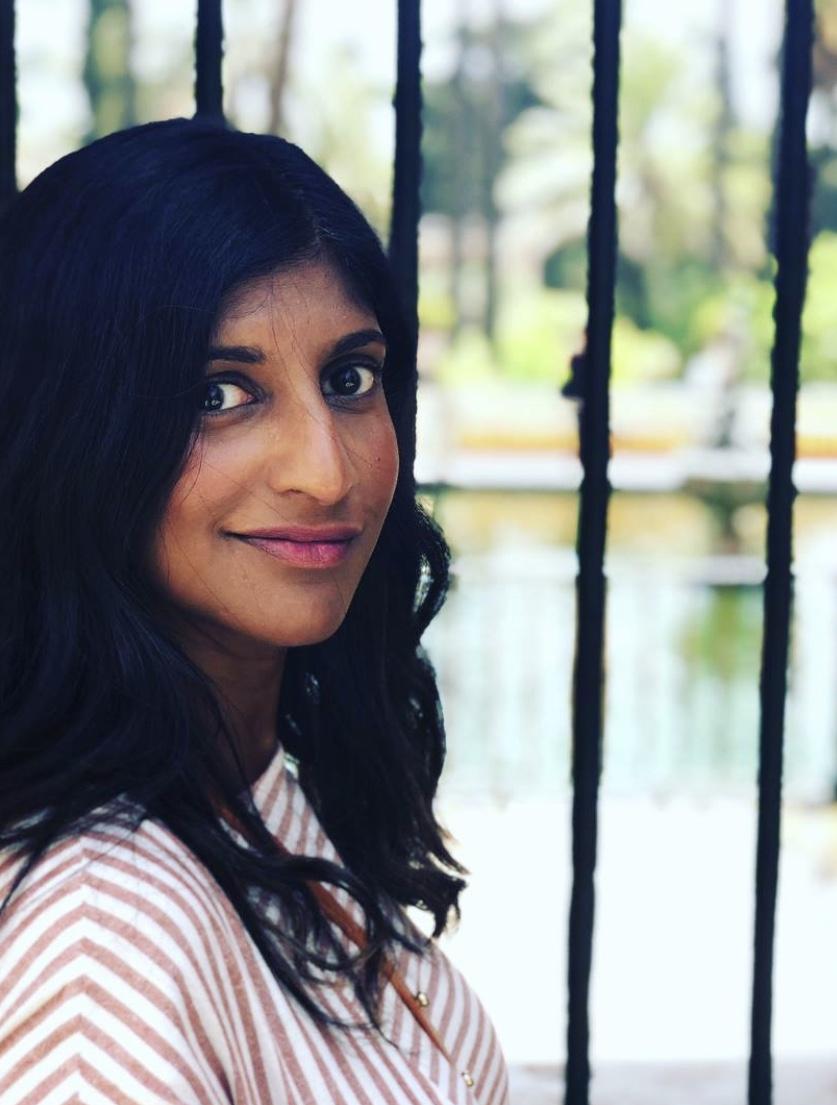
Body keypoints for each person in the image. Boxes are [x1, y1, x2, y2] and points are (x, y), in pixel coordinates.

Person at [0, 117, 509, 1105]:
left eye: (350, 378)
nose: (325, 471)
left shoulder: (252, 786)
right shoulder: (104, 942)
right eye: (221, 393)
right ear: (74, 430)